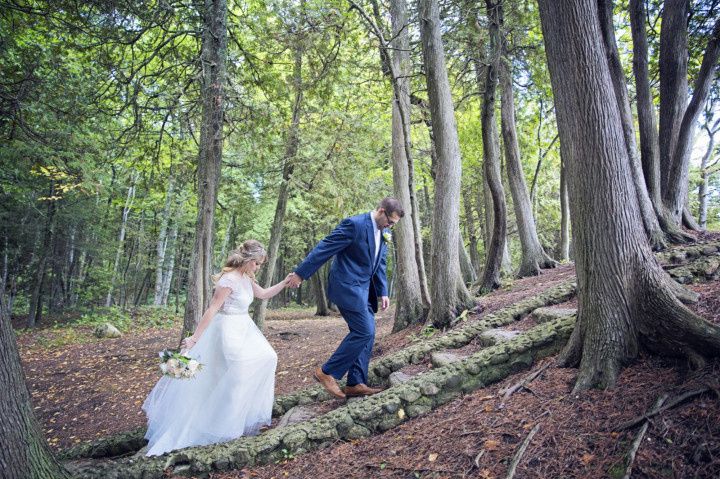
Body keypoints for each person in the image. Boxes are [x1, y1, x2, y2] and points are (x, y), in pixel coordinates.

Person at [142, 240, 290, 456]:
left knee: (268, 357)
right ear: (248, 260)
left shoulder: (247, 278)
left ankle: (233, 420)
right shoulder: (228, 280)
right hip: (227, 330)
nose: (258, 268)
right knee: (235, 374)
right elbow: (212, 309)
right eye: (257, 263)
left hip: (244, 329)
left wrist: (285, 282)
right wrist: (194, 338)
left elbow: (264, 294)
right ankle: (223, 426)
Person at [287, 197, 404, 398]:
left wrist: (383, 291)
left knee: (369, 332)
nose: (391, 227)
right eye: (390, 222)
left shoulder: (384, 232)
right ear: (382, 211)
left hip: (365, 291)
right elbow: (325, 248)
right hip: (347, 287)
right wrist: (300, 273)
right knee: (364, 331)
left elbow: (380, 262)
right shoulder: (354, 224)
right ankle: (326, 372)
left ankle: (355, 382)